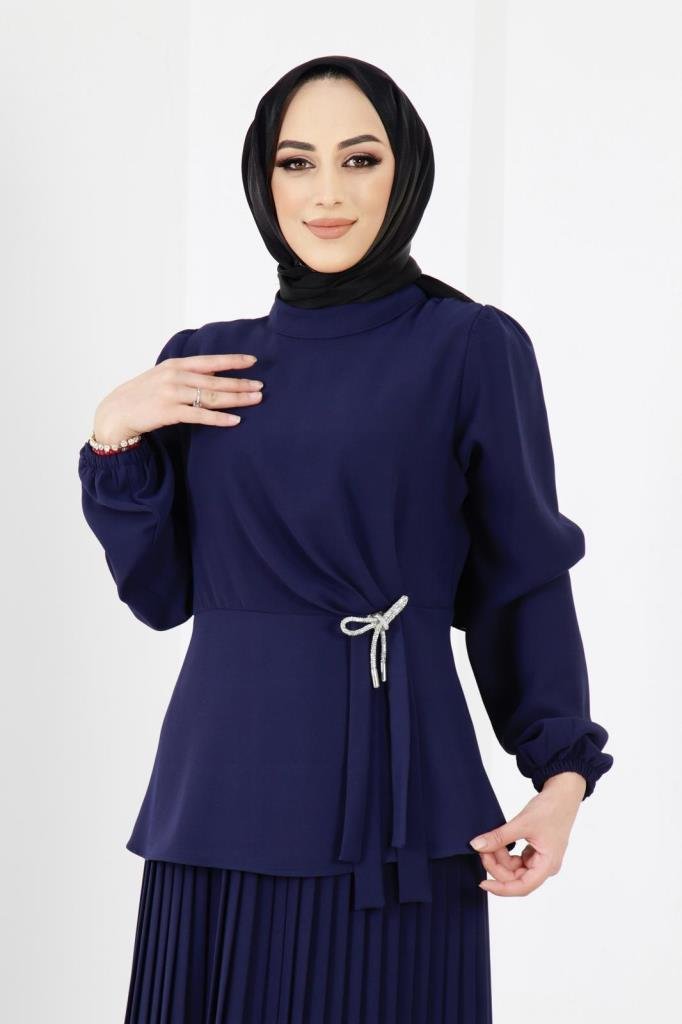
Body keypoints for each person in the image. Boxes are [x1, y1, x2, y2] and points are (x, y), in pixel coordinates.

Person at [78, 54, 614, 1023]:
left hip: (394, 815)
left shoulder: (469, 346)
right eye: (297, 162)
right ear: (264, 180)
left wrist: (561, 774)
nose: (326, 193)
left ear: (404, 173)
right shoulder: (199, 363)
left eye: (359, 159)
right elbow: (160, 597)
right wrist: (115, 434)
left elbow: (521, 579)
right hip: (215, 804)